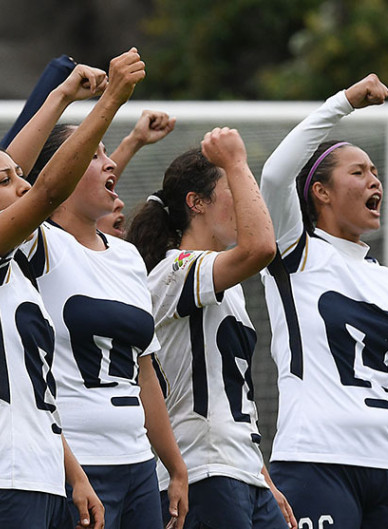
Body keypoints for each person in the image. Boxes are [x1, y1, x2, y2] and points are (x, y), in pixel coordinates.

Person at [0, 48, 144, 529]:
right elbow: (45, 193)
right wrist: (111, 102)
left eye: (20, 177)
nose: (21, 184)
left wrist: (75, 476)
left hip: (41, 479)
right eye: (6, 181)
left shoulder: (17, 269)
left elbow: (34, 394)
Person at [258, 73, 388, 529]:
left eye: (376, 171)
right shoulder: (295, 251)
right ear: (321, 192)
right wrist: (344, 102)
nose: (375, 180)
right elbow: (276, 174)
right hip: (313, 461)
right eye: (359, 172)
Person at [24, 112, 189, 529]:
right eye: (94, 155)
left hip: (137, 465)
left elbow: (145, 373)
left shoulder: (128, 256)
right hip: (75, 464)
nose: (110, 163)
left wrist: (175, 467)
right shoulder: (37, 245)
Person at [126, 128, 296, 528]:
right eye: (233, 191)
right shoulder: (176, 270)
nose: (246, 203)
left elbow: (234, 397)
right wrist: (236, 161)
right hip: (203, 471)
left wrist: (262, 476)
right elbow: (260, 248)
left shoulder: (226, 288)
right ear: (196, 203)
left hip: (242, 471)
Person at [96, 110, 176, 238]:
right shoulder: (60, 247)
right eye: (94, 156)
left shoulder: (130, 254)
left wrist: (135, 140)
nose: (120, 204)